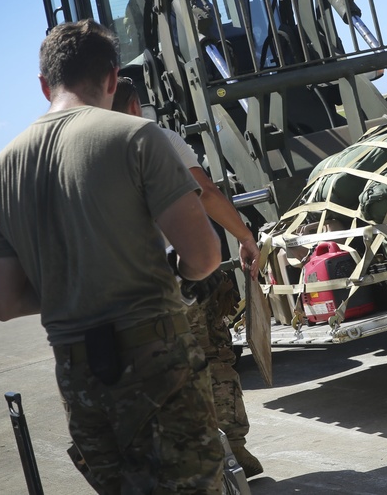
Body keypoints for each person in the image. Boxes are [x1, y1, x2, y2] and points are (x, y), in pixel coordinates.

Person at [0, 19, 225, 494]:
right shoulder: (136, 137)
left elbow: (4, 303)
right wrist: (175, 274)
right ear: (112, 78)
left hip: (78, 373)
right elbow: (205, 255)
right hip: (157, 362)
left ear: (45, 85)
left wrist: (70, 285)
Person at [113, 76, 263, 478]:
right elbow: (207, 193)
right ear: (133, 106)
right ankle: (234, 449)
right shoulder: (159, 139)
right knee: (214, 356)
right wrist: (245, 236)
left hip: (127, 296)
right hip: (183, 279)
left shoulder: (87, 153)